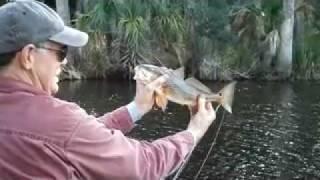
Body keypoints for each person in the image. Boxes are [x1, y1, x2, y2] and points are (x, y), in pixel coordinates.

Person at [0, 1, 216, 179]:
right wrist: (193, 132)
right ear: (28, 56)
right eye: (61, 52)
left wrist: (137, 108)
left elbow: (78, 138)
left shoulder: (56, 128)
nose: (64, 63)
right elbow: (143, 165)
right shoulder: (60, 122)